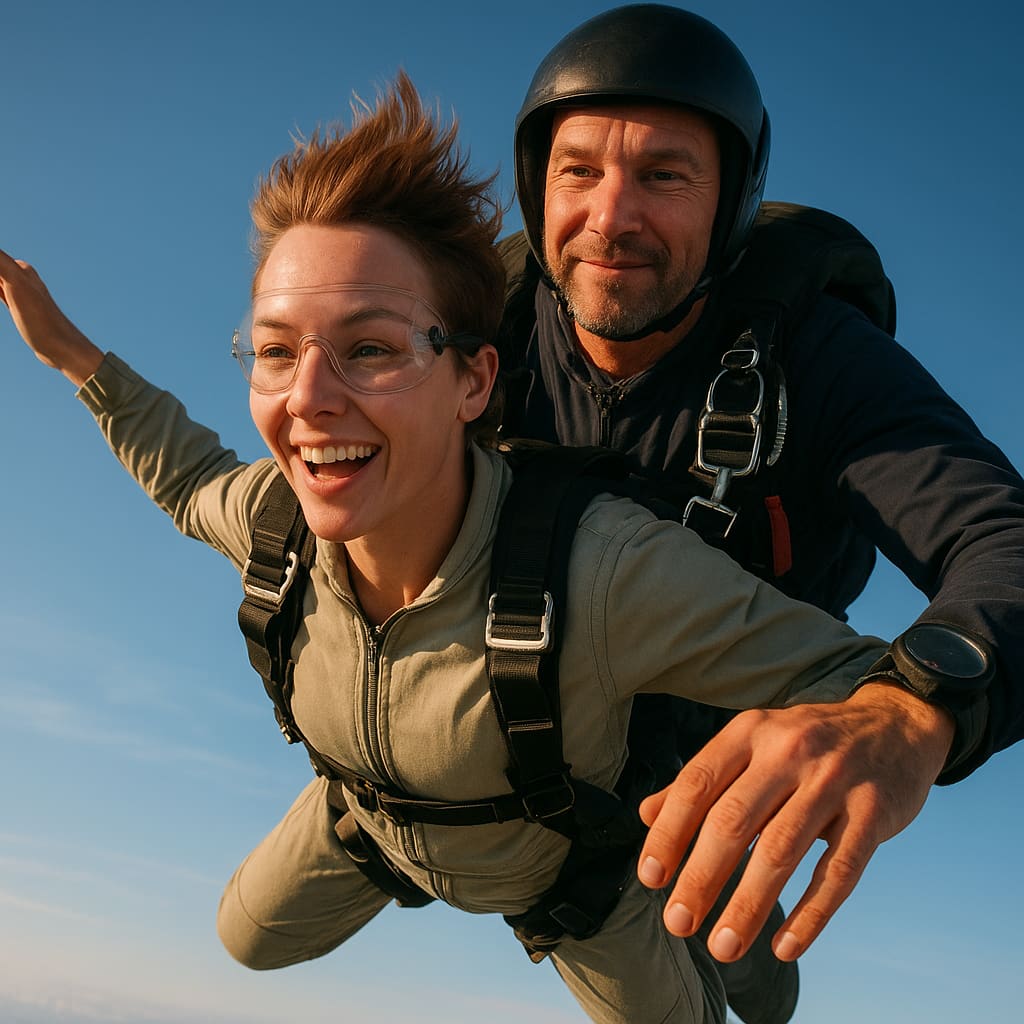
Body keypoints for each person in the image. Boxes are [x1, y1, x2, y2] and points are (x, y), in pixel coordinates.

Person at [1, 74, 902, 1024]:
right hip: (376, 819)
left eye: (372, 349)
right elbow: (185, 475)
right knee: (245, 940)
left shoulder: (605, 571)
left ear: (475, 381)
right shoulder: (278, 522)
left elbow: (867, 685)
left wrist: (876, 725)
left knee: (743, 994)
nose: (309, 398)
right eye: (275, 350)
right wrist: (69, 355)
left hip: (575, 882)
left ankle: (723, 920)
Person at [496, 4, 1024, 1021]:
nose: (610, 217)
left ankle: (745, 939)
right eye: (577, 171)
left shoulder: (812, 355)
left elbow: (1002, 535)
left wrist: (910, 709)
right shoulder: (486, 313)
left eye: (663, 174)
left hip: (722, 717)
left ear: (732, 201)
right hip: (542, 665)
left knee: (729, 945)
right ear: (535, 184)